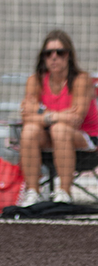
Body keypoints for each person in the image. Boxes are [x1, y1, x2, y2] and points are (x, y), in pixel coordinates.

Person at [20, 29, 98, 207]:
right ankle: (33, 192)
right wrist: (55, 116)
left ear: (69, 56)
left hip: (86, 142)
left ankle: (64, 193)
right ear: (43, 57)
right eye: (49, 54)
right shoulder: (35, 80)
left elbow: (75, 118)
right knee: (29, 130)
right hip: (51, 138)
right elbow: (26, 116)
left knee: (60, 129)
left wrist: (40, 112)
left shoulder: (82, 79)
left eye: (60, 53)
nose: (54, 57)